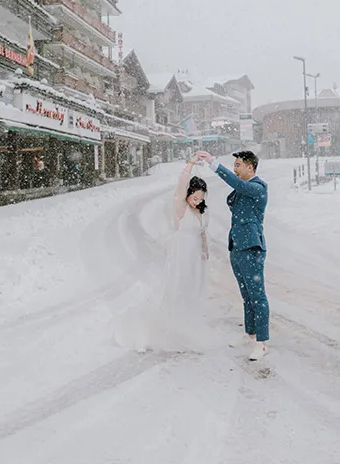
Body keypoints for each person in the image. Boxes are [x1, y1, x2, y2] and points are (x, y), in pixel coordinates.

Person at [114, 153, 214, 353]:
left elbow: (202, 232)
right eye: (194, 197)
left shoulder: (202, 210)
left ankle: (188, 326)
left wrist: (205, 250)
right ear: (187, 194)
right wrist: (191, 162)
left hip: (196, 256)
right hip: (182, 251)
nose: (197, 201)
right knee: (178, 287)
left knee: (193, 288)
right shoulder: (180, 207)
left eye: (201, 198)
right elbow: (180, 185)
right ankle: (171, 329)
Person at [197, 150, 270, 361]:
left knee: (257, 296)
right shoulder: (243, 189)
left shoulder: (258, 187)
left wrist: (214, 164)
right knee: (246, 295)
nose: (236, 168)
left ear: (250, 167)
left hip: (252, 247)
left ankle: (262, 342)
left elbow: (239, 186)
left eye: (238, 165)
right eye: (234, 165)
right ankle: (251, 333)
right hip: (237, 246)